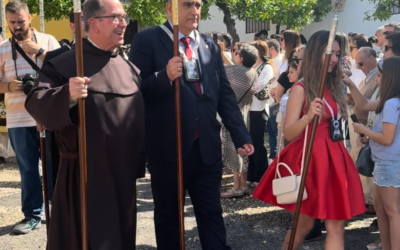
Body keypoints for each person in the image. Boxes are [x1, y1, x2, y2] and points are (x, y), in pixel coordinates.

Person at [129, 0, 254, 248]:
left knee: (211, 214)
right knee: (169, 216)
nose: (195, 11)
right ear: (169, 8)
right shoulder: (148, 40)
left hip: (206, 148)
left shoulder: (208, 45)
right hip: (168, 149)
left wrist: (240, 134)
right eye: (187, 4)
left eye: (198, 4)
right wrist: (162, 77)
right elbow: (135, 90)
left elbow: (223, 93)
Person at [25, 0, 145, 249]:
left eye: (124, 17)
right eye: (116, 17)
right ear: (93, 23)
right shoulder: (65, 63)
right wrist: (67, 94)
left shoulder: (130, 69)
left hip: (122, 176)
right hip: (83, 177)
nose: (124, 23)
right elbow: (36, 102)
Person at [253, 30, 365, 250]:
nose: (334, 59)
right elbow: (289, 134)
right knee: (302, 225)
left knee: (336, 227)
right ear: (315, 53)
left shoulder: (334, 86)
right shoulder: (301, 89)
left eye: (337, 54)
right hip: (312, 162)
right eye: (328, 53)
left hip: (335, 159)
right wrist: (307, 117)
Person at [0, 0, 60, 234]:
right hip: (18, 118)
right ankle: (33, 215)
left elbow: (64, 71)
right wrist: (9, 86)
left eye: (21, 21)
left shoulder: (48, 41)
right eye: (12, 22)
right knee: (27, 170)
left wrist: (40, 53)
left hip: (49, 115)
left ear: (30, 18)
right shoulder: (3, 48)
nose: (17, 26)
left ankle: (60, 210)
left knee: (56, 165)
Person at [345, 57, 400, 250]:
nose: (377, 80)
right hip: (384, 160)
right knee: (380, 207)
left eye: (378, 76)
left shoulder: (392, 103)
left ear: (390, 78)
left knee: (392, 211)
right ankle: (386, 245)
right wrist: (350, 83)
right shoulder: (390, 102)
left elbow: (386, 138)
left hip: (389, 162)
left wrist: (364, 130)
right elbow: (363, 103)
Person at [220, 44, 258, 198]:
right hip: (245, 113)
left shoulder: (236, 71)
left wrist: (219, 52)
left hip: (233, 116)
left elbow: (220, 67)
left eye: (236, 53)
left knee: (236, 150)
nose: (234, 55)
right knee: (244, 151)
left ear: (241, 58)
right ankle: (243, 184)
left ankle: (236, 187)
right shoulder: (253, 73)